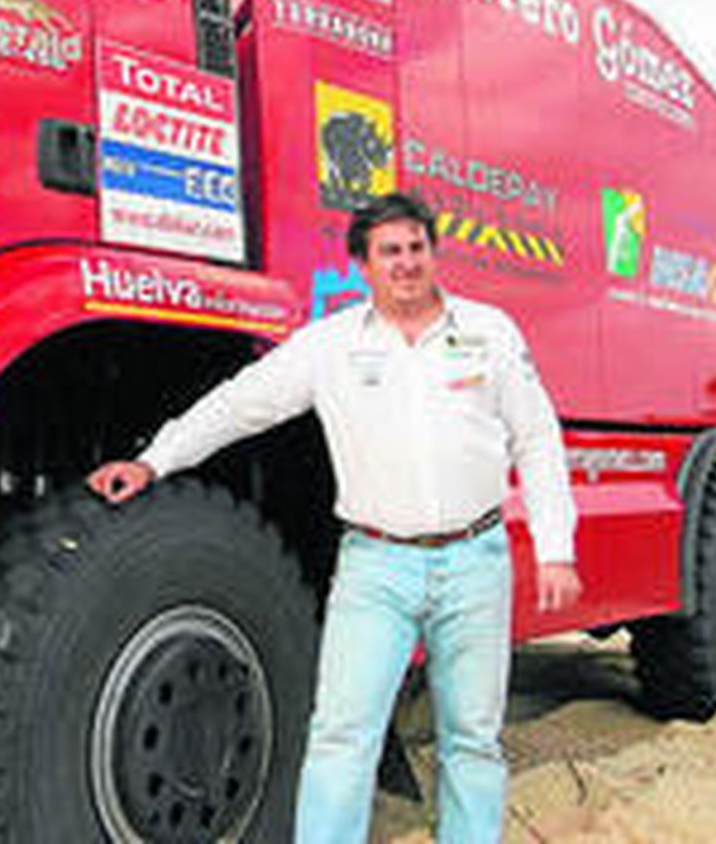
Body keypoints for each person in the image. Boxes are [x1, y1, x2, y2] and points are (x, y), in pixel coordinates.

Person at [87, 191, 582, 844]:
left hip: (475, 562)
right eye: (389, 252)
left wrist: (556, 548)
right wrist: (156, 460)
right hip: (376, 569)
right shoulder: (330, 345)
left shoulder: (489, 332)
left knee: (472, 739)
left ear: (433, 253)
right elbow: (241, 404)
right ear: (363, 265)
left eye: (416, 248)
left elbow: (538, 439)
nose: (405, 263)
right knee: (341, 736)